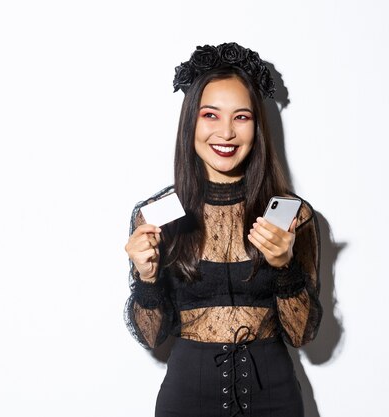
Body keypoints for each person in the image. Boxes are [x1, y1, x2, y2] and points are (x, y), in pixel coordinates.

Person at [124, 42, 322, 417]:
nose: (226, 132)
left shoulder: (291, 216)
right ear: (191, 123)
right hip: (186, 399)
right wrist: (147, 277)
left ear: (257, 126)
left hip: (275, 399)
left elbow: (301, 335)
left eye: (241, 117)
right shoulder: (157, 216)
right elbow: (152, 337)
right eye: (211, 115)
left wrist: (285, 265)